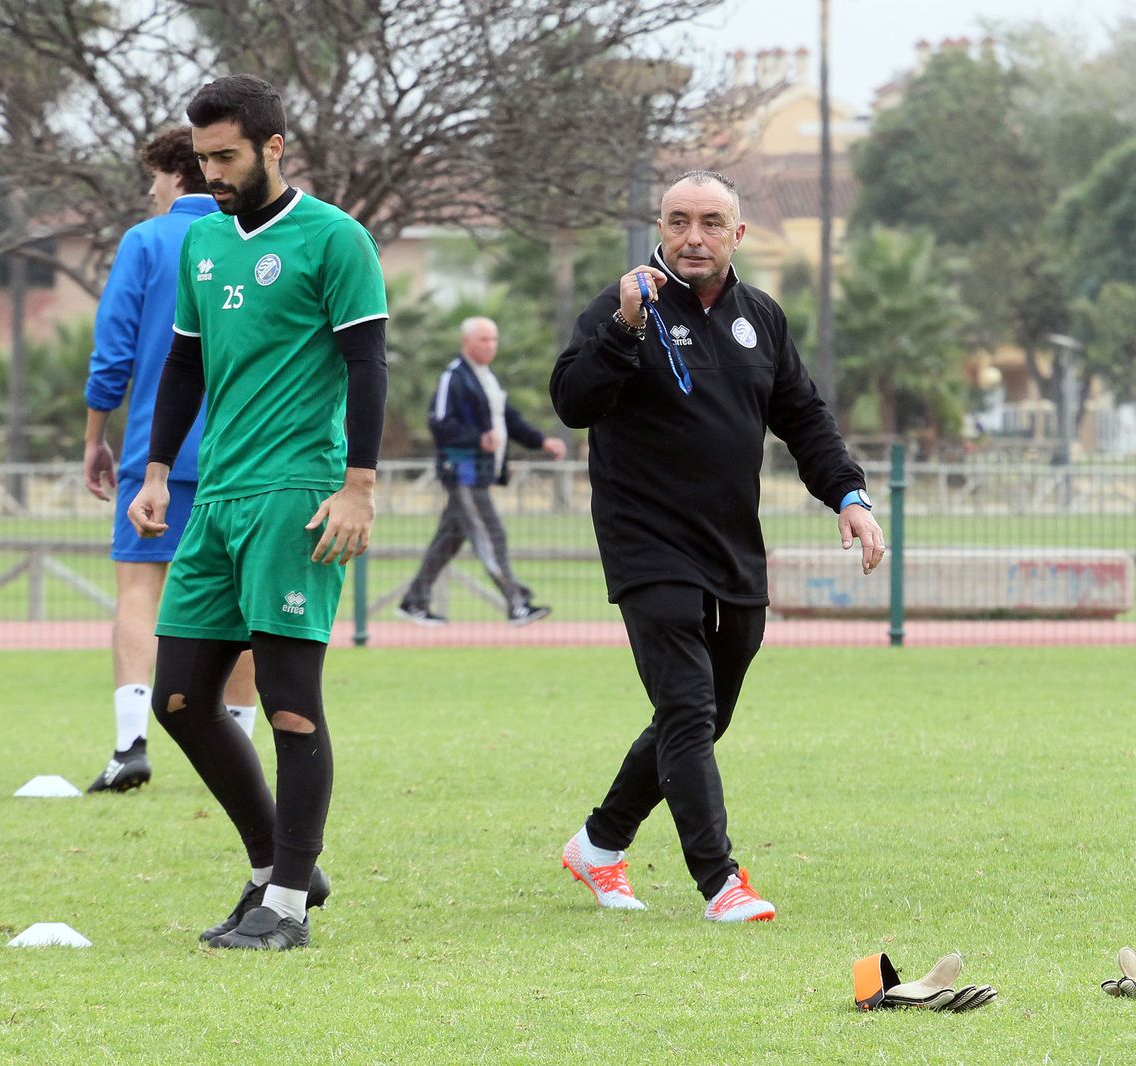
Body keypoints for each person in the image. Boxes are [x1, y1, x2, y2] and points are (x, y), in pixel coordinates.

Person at [550, 170, 885, 923]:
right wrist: (624, 332)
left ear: (737, 234)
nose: (692, 236)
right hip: (645, 544)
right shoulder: (622, 305)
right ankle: (720, 882)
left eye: (709, 222)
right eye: (677, 221)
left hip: (731, 544)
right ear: (658, 229)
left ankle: (599, 844)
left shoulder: (760, 316)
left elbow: (803, 417)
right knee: (688, 706)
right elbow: (572, 403)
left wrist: (850, 496)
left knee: (697, 718)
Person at [127, 74, 388, 951]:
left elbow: (367, 366)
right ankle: (281, 866)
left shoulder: (334, 239)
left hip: (295, 495)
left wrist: (359, 483)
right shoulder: (202, 241)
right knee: (178, 699)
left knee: (287, 704)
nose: (210, 175)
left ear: (274, 147)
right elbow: (184, 366)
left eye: (226, 157)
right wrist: (159, 469)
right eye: (200, 160)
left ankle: (283, 908)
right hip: (218, 495)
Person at [83, 126, 259, 795]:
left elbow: (114, 350)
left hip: (158, 451)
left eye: (155, 176)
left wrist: (94, 435)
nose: (151, 189)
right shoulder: (253, 236)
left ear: (176, 174)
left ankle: (131, 744)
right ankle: (236, 746)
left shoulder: (148, 240)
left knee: (138, 590)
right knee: (244, 603)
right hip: (245, 452)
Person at [397, 316, 566, 626]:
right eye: (484, 339)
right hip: (463, 470)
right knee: (491, 533)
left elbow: (509, 420)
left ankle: (413, 601)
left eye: (494, 340)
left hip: (481, 470)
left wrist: (541, 441)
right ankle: (518, 603)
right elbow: (439, 422)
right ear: (467, 342)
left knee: (449, 537)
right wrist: (478, 439)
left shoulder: (487, 377)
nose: (490, 346)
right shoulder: (454, 376)